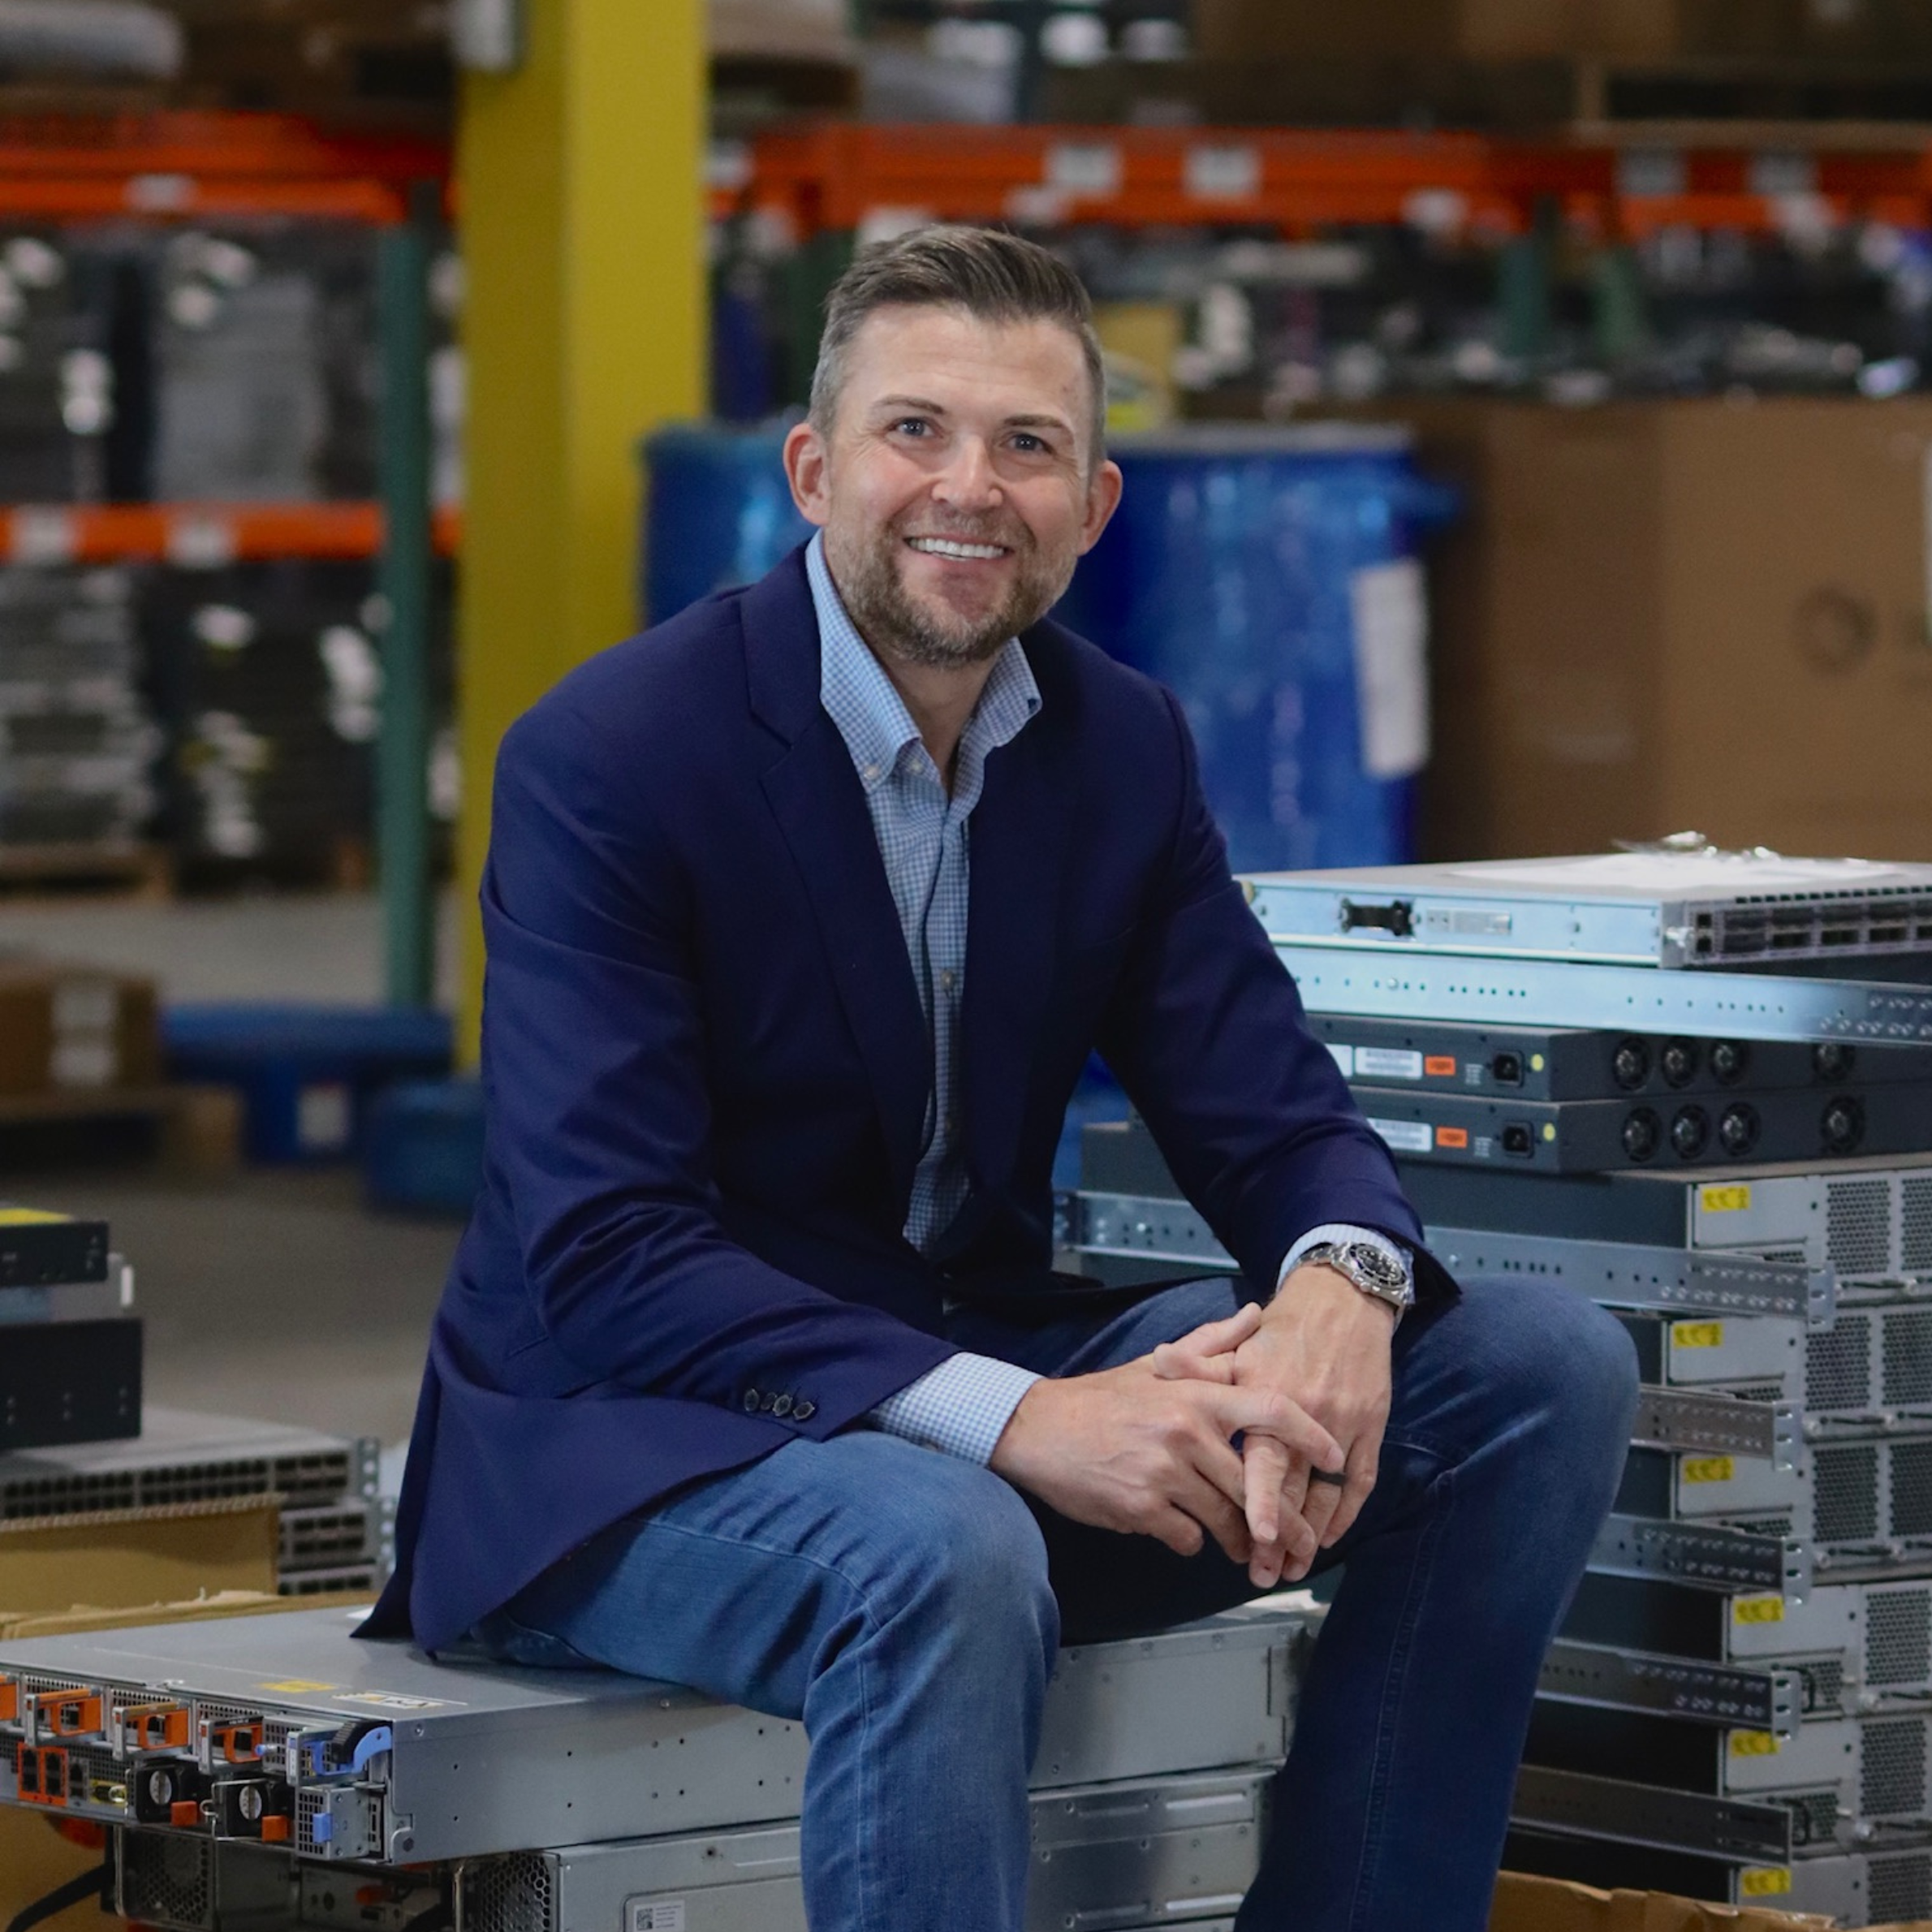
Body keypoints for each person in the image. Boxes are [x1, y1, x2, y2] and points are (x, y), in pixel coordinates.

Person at [364, 225, 1639, 1931]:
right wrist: (1030, 1419)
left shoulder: (1117, 744)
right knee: (938, 1543)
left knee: (1532, 1370)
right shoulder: (613, 758)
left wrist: (1339, 1281)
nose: (968, 487)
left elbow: (1266, 1106)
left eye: (1027, 445)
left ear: (1092, 504)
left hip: (969, 1384)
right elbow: (609, 1259)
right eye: (915, 432)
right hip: (625, 1449)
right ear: (814, 470)